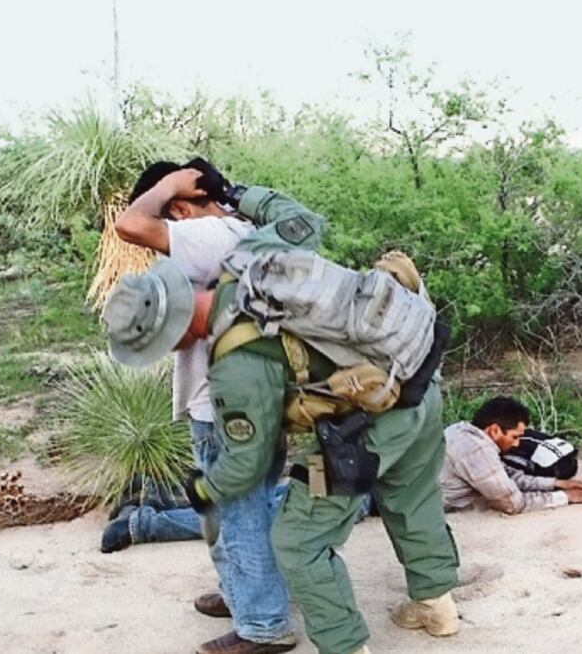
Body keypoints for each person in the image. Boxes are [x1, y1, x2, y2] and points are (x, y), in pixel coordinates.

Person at [102, 179, 460, 654]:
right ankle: (436, 606)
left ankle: (346, 646)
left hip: (376, 416)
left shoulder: (236, 363)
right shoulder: (251, 254)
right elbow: (304, 221)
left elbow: (247, 463)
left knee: (297, 541)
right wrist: (235, 190)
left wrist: (203, 490)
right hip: (421, 373)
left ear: (179, 326)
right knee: (411, 498)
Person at [108, 160, 296, 653]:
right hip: (254, 393)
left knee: (237, 511)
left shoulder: (211, 232)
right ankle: (246, 594)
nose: (166, 229)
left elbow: (129, 225)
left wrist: (169, 183)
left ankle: (263, 625)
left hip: (224, 402)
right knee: (235, 508)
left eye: (171, 212)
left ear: (180, 205)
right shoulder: (247, 230)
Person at [441, 396, 582, 514]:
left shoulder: (460, 430)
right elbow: (512, 503)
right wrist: (566, 497)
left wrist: (557, 483)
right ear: (495, 430)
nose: (517, 444)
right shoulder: (477, 451)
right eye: (514, 436)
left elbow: (507, 477)